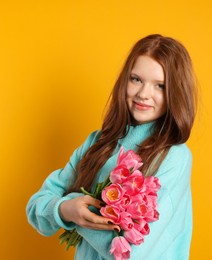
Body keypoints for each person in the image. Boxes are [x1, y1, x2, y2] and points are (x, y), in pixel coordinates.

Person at [26, 34, 197, 259]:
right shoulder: (98, 142)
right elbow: (37, 208)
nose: (143, 94)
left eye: (160, 86)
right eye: (136, 79)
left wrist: (74, 214)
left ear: (175, 93)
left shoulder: (173, 157)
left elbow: (131, 251)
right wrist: (64, 210)